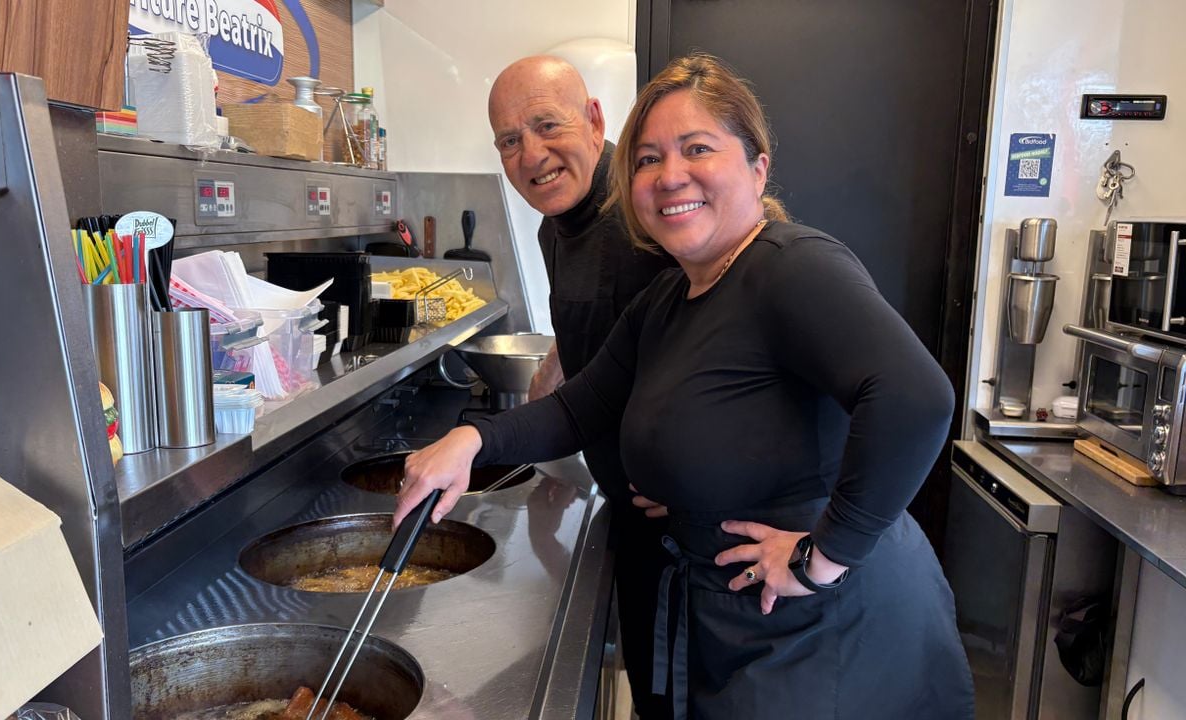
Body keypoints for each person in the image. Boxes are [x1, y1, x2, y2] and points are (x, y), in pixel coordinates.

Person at [402, 53, 975, 719]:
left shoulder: (790, 268)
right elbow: (582, 405)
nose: (670, 174)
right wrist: (472, 438)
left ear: (757, 165)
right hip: (732, 609)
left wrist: (826, 554)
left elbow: (915, 397)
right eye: (648, 159)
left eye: (696, 148)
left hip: (822, 623)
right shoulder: (673, 296)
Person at [486, 56, 678, 719]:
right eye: (509, 140)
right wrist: (551, 420)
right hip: (625, 493)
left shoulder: (654, 209)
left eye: (546, 125)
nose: (531, 154)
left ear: (594, 119)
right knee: (650, 684)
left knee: (675, 692)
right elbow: (585, 334)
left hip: (685, 522)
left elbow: (722, 341)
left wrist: (694, 465)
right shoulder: (553, 227)